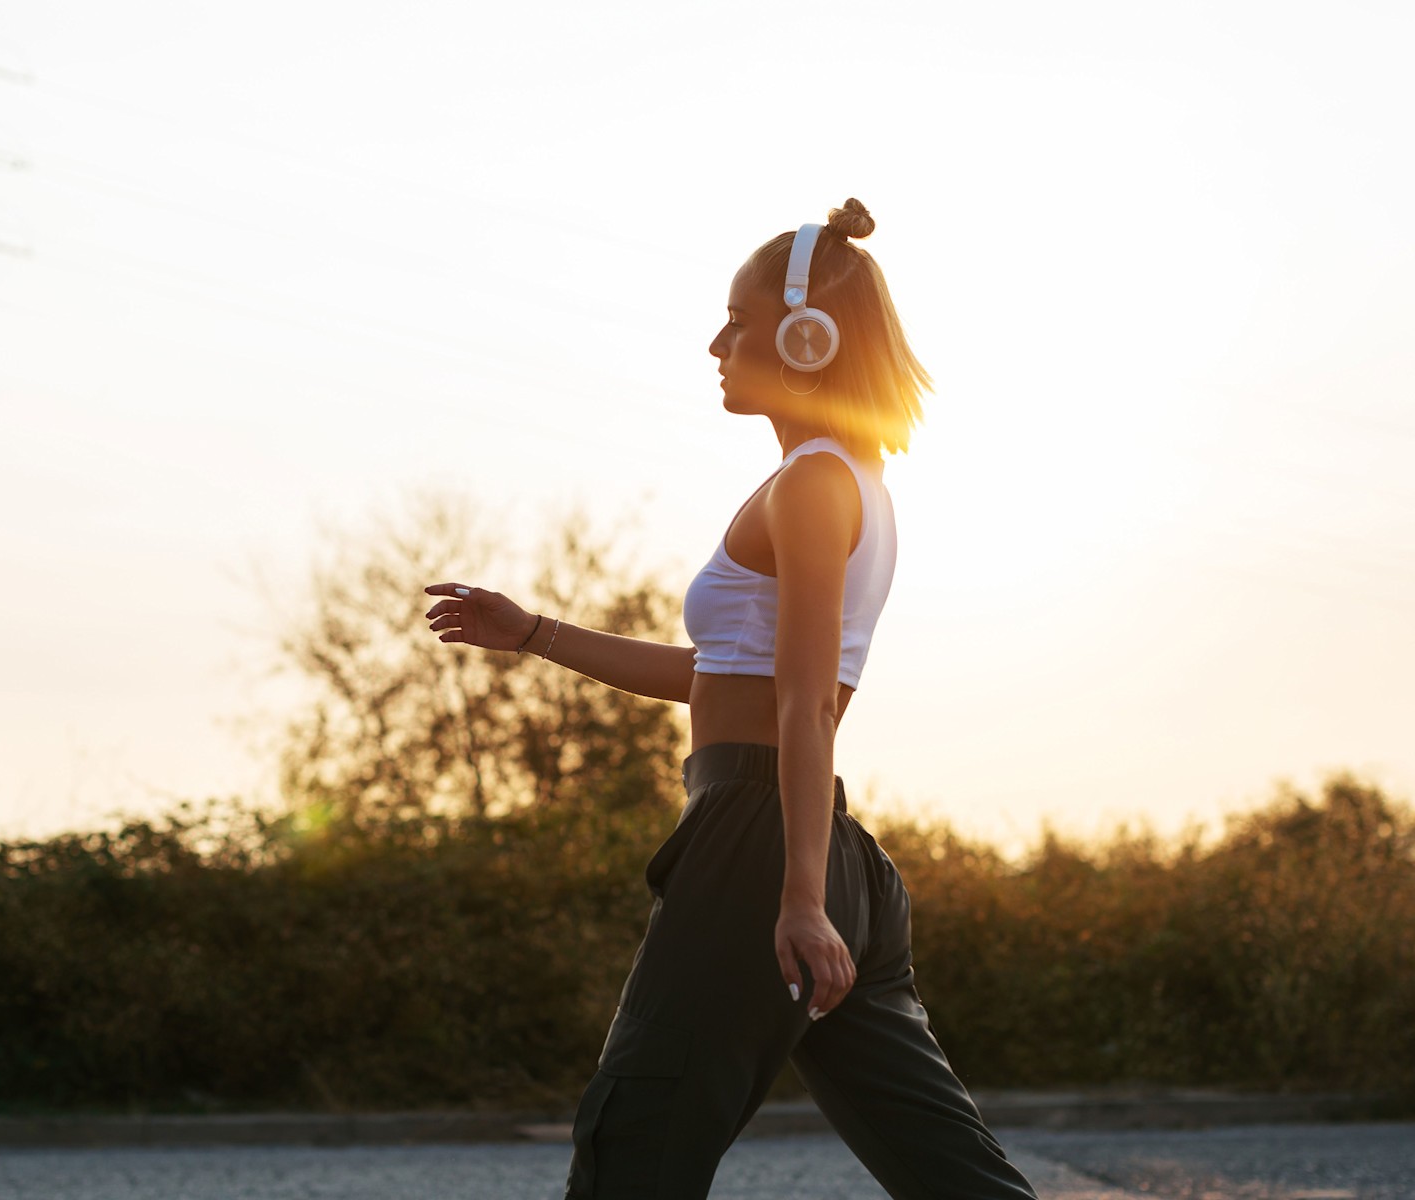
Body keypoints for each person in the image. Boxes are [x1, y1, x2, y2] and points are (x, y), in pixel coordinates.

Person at [422, 199, 1038, 1199]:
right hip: (828, 850)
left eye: (738, 322)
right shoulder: (842, 480)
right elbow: (716, 676)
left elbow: (805, 706)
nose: (715, 345)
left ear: (807, 340)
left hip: (761, 841)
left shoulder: (811, 486)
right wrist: (532, 632)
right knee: (952, 1176)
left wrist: (797, 899)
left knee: (634, 1147)